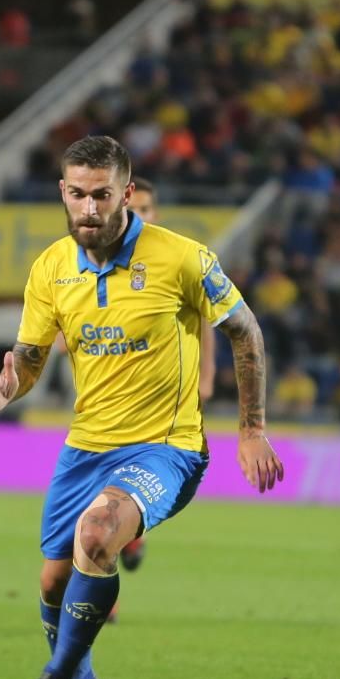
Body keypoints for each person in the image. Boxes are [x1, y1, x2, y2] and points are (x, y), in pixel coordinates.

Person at [0, 136, 283, 679]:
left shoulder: (181, 258)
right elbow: (33, 357)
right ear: (62, 192)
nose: (88, 208)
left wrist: (251, 430)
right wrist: (13, 385)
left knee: (96, 535)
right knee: (53, 579)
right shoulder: (50, 268)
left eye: (101, 195)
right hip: (85, 447)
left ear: (126, 191)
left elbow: (245, 333)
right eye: (76, 194)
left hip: (166, 446)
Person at [114, 177, 217, 581]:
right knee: (95, 505)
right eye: (130, 209)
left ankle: (123, 545)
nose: (136, 216)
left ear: (154, 214)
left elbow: (207, 321)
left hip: (160, 406)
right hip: (104, 401)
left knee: (111, 502)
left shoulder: (173, 260)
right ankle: (104, 588)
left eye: (144, 209)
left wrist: (205, 375)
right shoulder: (95, 262)